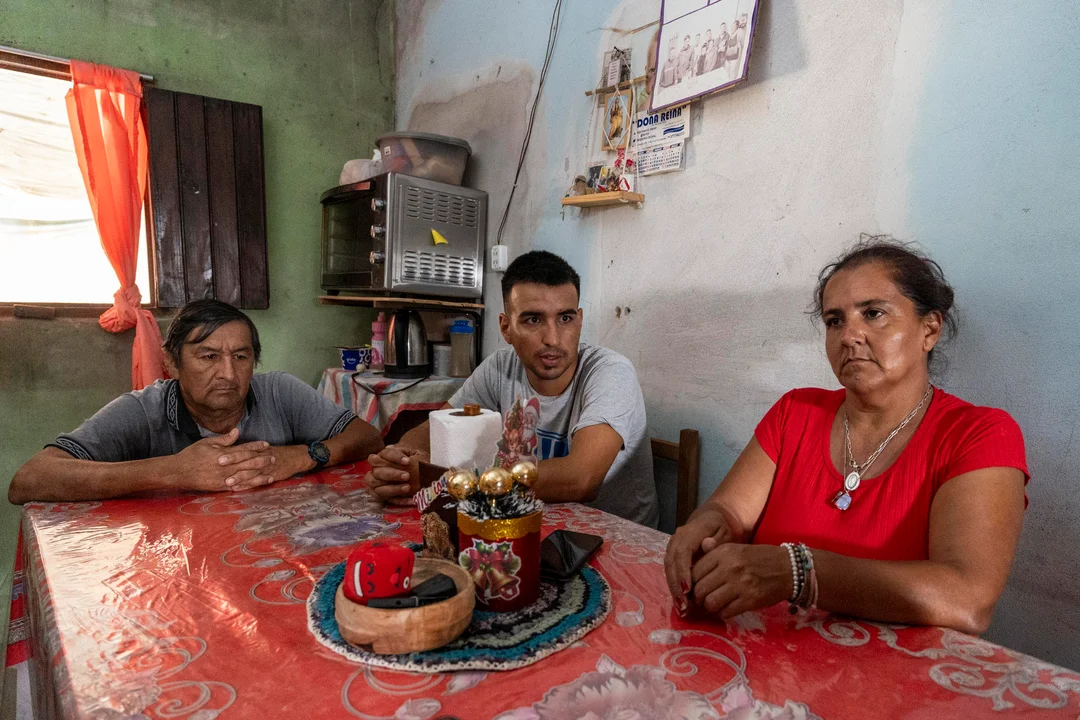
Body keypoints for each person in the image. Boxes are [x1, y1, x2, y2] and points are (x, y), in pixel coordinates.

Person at [664, 239, 1028, 634]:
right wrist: (705, 527)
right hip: (766, 653)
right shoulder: (795, 413)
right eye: (834, 321)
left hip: (891, 669)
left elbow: (967, 598)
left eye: (873, 314)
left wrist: (798, 572)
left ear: (929, 329)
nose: (849, 335)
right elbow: (729, 512)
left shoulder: (978, 434)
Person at [363, 250, 659, 528]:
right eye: (533, 319)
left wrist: (444, 481)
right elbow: (436, 427)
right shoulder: (500, 367)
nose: (553, 338)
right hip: (526, 522)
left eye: (565, 318)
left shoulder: (610, 372)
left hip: (615, 539)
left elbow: (581, 479)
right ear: (506, 328)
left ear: (579, 321)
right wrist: (399, 463)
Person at [9, 299, 383, 503]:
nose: (228, 374)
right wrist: (174, 470)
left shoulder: (279, 391)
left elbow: (367, 437)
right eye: (208, 356)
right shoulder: (142, 410)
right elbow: (30, 479)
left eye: (241, 356)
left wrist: (304, 455)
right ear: (171, 363)